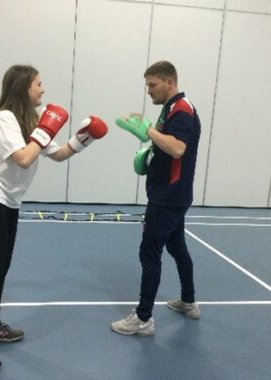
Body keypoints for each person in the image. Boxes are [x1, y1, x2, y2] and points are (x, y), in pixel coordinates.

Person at [0, 64, 108, 371]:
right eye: (38, 84)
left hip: (8, 203)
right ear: (23, 87)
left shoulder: (31, 121)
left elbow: (59, 154)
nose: (43, 89)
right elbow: (24, 159)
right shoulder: (6, 119)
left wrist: (83, 138)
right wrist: (45, 130)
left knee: (2, 266)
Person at [111, 60, 201, 336]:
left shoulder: (182, 111)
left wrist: (147, 130)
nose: (148, 90)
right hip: (172, 194)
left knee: (149, 251)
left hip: (168, 197)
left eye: (153, 85)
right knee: (177, 247)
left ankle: (143, 318)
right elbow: (164, 145)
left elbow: (177, 149)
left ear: (169, 82)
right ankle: (188, 302)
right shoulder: (170, 109)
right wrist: (148, 153)